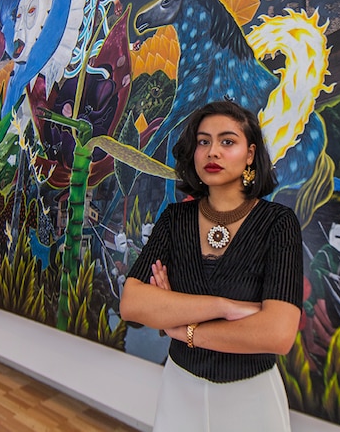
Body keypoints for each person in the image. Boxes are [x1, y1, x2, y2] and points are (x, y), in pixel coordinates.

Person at [119, 100, 303, 432]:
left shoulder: (277, 223)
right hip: (180, 388)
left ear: (250, 154)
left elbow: (277, 333)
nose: (212, 152)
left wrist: (183, 328)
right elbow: (133, 303)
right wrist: (225, 307)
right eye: (203, 141)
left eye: (227, 141)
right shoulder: (175, 219)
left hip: (252, 396)